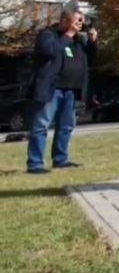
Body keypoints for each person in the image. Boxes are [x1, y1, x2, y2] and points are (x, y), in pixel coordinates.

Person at [26, 10, 98, 174]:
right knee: (41, 125)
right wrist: (69, 33)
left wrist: (93, 43)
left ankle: (61, 159)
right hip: (51, 89)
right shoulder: (48, 34)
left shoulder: (77, 40)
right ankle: (35, 163)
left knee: (66, 126)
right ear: (65, 20)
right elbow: (50, 51)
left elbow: (91, 59)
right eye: (77, 20)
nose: (80, 24)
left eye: (82, 21)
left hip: (72, 89)